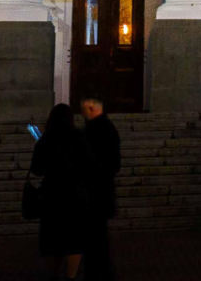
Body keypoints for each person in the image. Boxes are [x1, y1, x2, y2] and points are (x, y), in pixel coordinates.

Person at [29, 103, 90, 279]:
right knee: (74, 239)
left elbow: (36, 169)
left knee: (52, 239)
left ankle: (54, 274)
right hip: (74, 195)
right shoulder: (80, 137)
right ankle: (70, 276)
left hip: (52, 196)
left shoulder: (45, 140)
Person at [81, 98, 121, 281]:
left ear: (91, 108)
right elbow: (115, 164)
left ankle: (97, 272)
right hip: (103, 190)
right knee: (99, 234)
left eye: (83, 110)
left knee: (92, 236)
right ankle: (103, 271)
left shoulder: (90, 131)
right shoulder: (110, 129)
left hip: (91, 191)